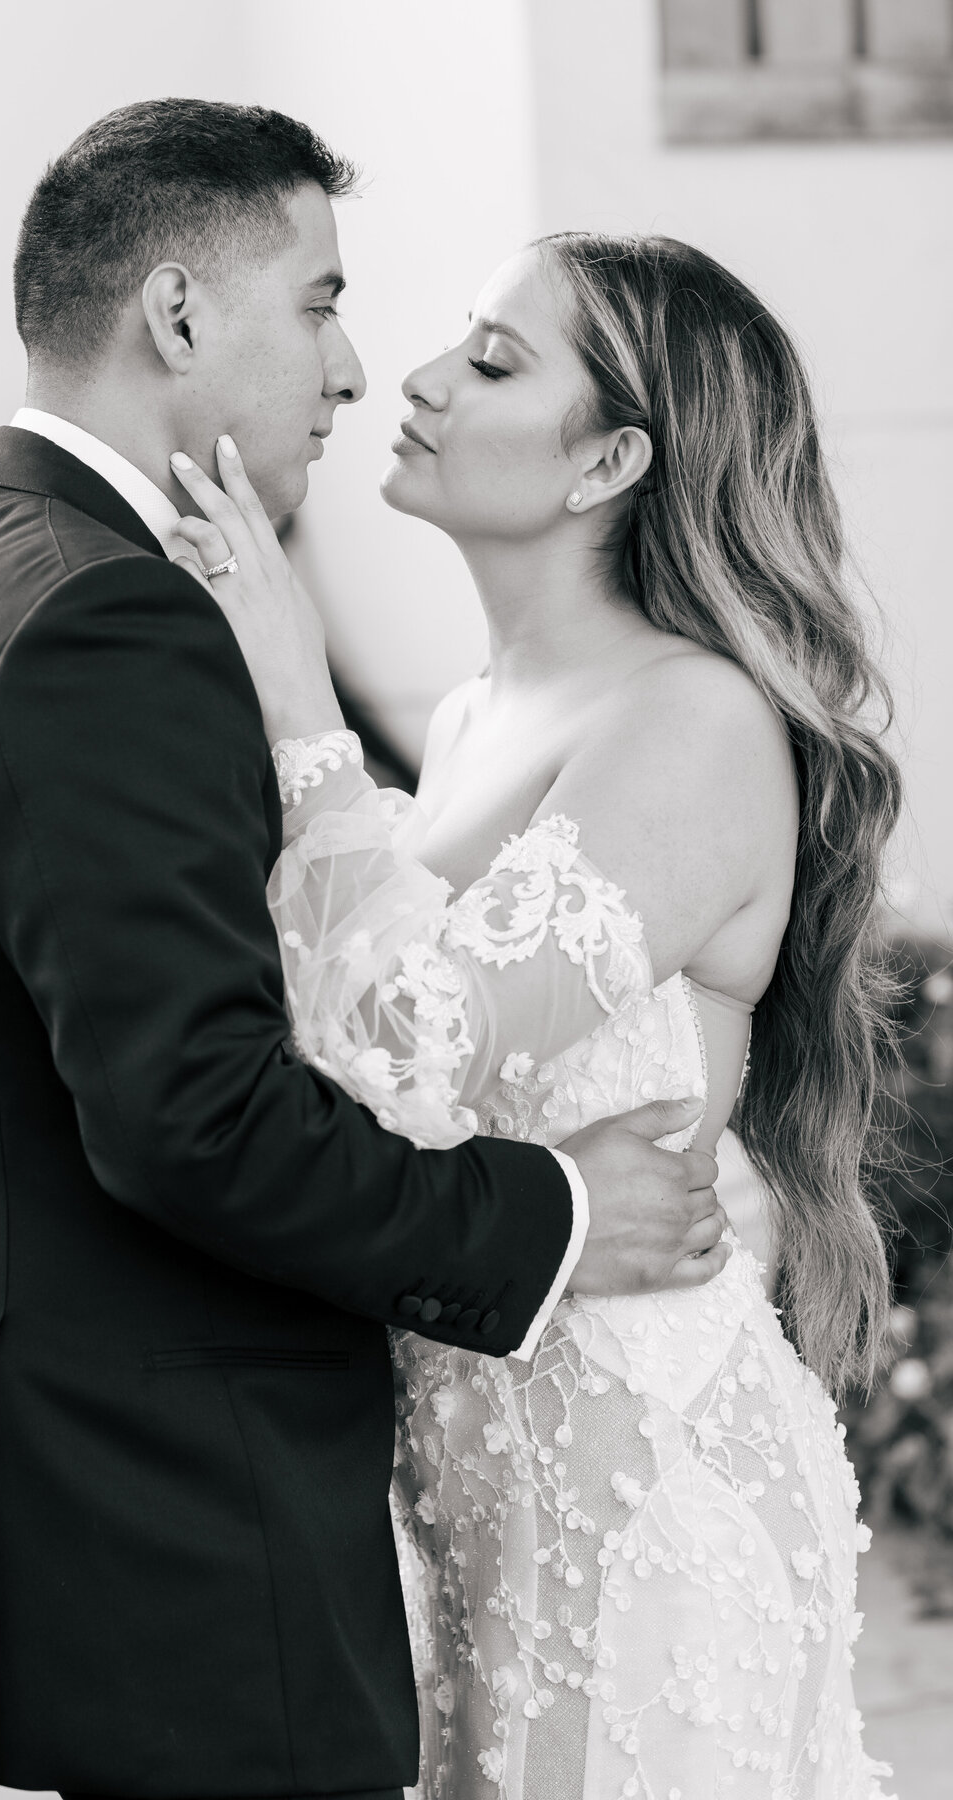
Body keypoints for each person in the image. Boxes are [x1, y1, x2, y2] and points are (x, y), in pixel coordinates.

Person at [0, 104, 726, 1800]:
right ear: (180, 314)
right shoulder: (107, 617)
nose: (360, 370)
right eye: (323, 300)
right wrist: (557, 1210)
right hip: (150, 1521)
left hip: (68, 1482)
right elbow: (193, 1123)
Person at [168, 231, 902, 1797]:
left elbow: (398, 1053)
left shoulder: (692, 718)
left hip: (644, 1508)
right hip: (469, 1492)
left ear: (613, 460)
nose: (418, 382)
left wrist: (300, 712)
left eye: (496, 363)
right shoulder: (470, 719)